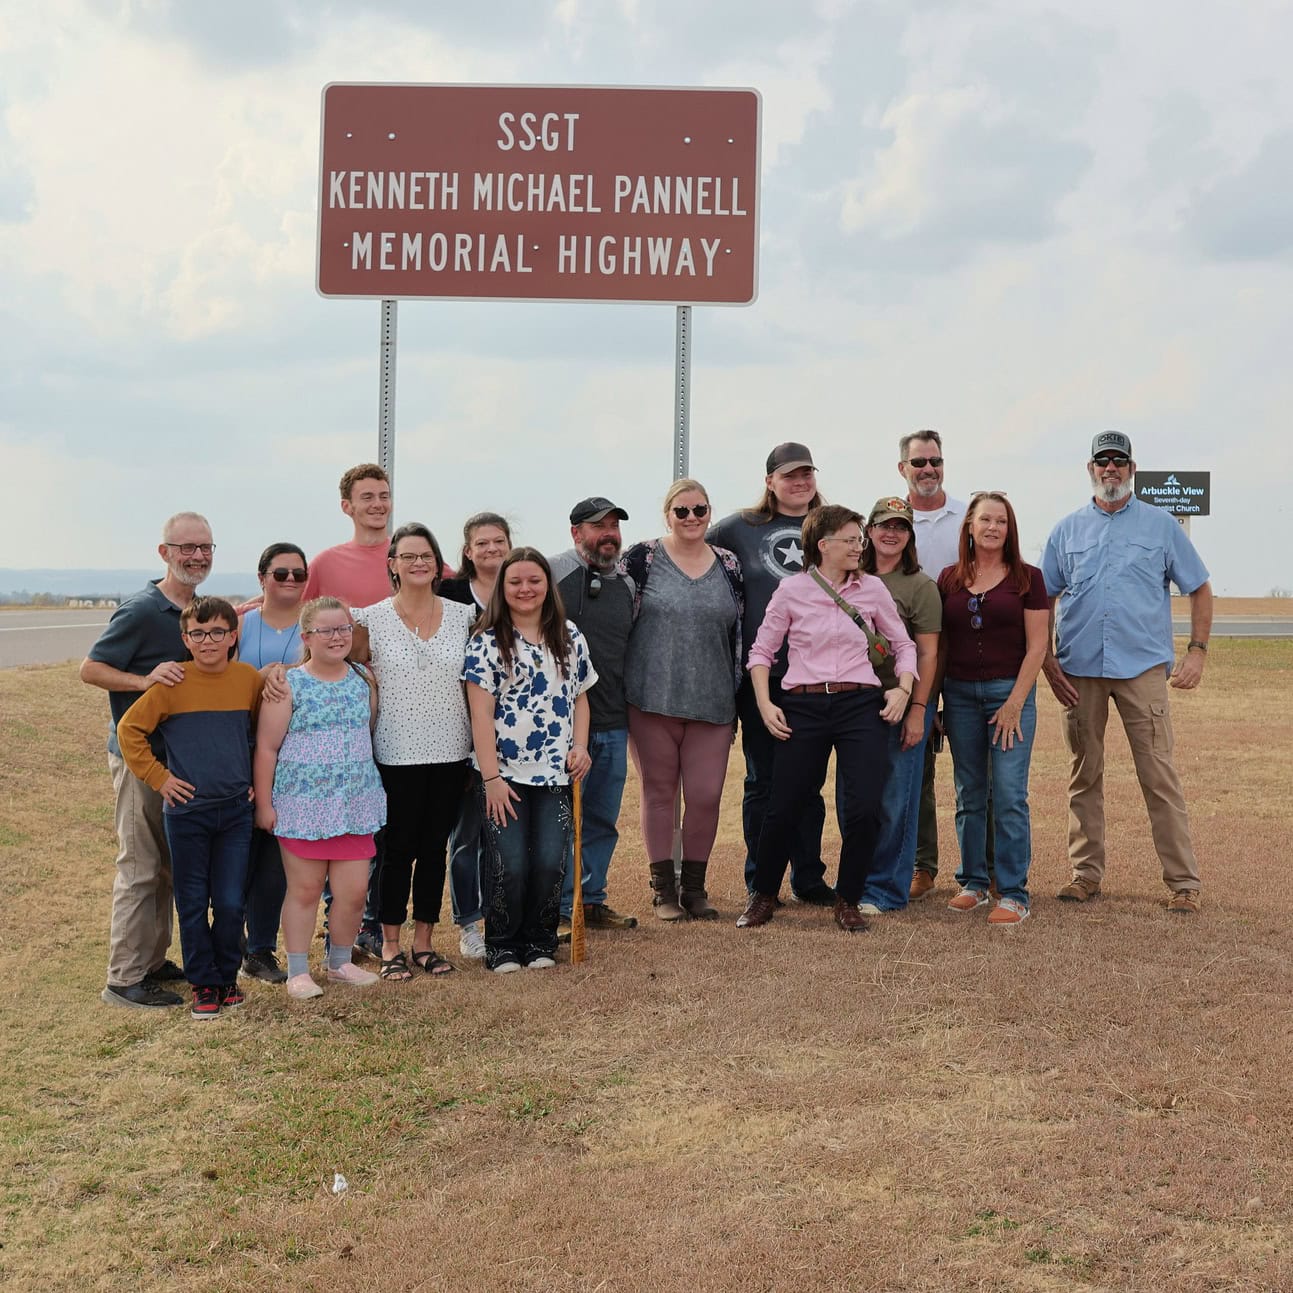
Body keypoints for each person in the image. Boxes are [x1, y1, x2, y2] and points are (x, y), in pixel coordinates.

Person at [1041, 431, 1212, 913]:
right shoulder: (1066, 531)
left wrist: (1197, 651)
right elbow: (1043, 598)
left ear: (1132, 469)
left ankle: (1183, 883)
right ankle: (1085, 875)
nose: (1110, 469)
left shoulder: (1160, 527)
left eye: (1119, 461)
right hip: (1079, 673)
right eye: (1102, 462)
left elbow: (1199, 587)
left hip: (1142, 670)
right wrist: (1048, 662)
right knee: (1083, 774)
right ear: (1090, 469)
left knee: (1158, 775)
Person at [737, 505, 918, 932]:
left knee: (864, 808)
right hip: (803, 706)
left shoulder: (872, 590)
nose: (860, 546)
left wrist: (903, 689)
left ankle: (849, 899)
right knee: (784, 806)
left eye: (860, 539)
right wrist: (765, 704)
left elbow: (903, 646)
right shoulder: (791, 591)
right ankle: (763, 895)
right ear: (824, 545)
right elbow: (761, 653)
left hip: (861, 705)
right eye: (852, 539)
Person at [81, 511, 215, 1009]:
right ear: (165, 553)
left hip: (179, 763)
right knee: (139, 866)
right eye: (187, 548)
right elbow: (90, 669)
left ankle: (153, 960)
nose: (197, 556)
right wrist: (144, 681)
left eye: (205, 548)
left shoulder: (196, 609)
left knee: (164, 866)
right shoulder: (140, 611)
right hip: (140, 760)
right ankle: (123, 979)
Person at [116, 597, 263, 1018]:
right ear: (186, 639)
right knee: (194, 901)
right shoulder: (171, 685)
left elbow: (257, 734)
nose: (209, 640)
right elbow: (130, 731)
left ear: (233, 636)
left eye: (218, 631)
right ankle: (202, 983)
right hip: (187, 814)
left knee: (232, 901)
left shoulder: (246, 680)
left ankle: (227, 977)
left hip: (236, 811)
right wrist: (160, 778)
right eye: (198, 633)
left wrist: (255, 781)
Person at [708, 443, 834, 904]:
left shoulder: (831, 524)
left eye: (806, 474)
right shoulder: (737, 529)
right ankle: (762, 881)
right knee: (763, 780)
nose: (800, 483)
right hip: (760, 675)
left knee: (809, 782)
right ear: (769, 482)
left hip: (818, 674)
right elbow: (691, 555)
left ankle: (809, 877)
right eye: (789, 475)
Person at [462, 548, 595, 973]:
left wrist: (581, 746)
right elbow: (480, 715)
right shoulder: (486, 643)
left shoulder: (569, 636)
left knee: (549, 861)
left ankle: (540, 940)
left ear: (547, 586)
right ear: (502, 589)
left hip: (557, 773)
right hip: (505, 776)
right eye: (515, 582)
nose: (525, 589)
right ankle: (502, 943)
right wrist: (491, 778)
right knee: (511, 863)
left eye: (534, 580)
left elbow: (580, 698)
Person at [350, 523, 473, 980]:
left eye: (426, 555)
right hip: (395, 753)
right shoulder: (371, 618)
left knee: (433, 847)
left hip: (450, 751)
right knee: (396, 850)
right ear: (393, 565)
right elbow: (334, 653)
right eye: (408, 556)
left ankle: (425, 943)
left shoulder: (463, 616)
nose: (418, 562)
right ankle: (389, 946)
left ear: (438, 564)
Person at [622, 479, 743, 921]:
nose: (691, 518)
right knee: (659, 793)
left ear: (710, 513)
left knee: (706, 795)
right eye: (682, 511)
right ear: (667, 514)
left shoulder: (729, 563)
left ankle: (695, 888)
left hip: (713, 703)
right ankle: (663, 891)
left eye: (700, 510)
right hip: (651, 697)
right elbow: (619, 617)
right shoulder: (642, 558)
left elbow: (740, 630)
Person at [253, 597, 387, 999]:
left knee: (353, 893)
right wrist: (264, 804)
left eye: (343, 628)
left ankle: (341, 962)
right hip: (302, 805)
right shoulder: (288, 683)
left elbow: (371, 730)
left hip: (354, 803)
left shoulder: (364, 678)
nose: (337, 637)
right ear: (307, 636)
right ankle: (298, 971)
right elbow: (266, 748)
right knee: (306, 890)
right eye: (326, 630)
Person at [937, 492, 1049, 924]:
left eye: (1001, 521)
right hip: (961, 695)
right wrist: (937, 703)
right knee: (969, 792)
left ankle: (1014, 892)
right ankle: (974, 883)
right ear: (969, 525)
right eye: (985, 519)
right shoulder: (949, 579)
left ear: (1010, 529)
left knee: (1008, 793)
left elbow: (1038, 645)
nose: (993, 527)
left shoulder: (1027, 578)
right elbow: (942, 645)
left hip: (1010, 693)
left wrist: (1015, 703)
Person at [300, 463, 393, 958]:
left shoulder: (411, 556)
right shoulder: (327, 562)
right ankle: (341, 929)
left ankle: (372, 922)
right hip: (342, 709)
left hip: (401, 706)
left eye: (384, 495)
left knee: (377, 818)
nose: (377, 504)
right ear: (347, 506)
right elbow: (295, 610)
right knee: (340, 812)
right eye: (367, 497)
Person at [549, 497, 638, 937]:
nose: (609, 534)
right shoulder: (550, 575)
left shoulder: (626, 584)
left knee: (602, 819)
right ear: (575, 532)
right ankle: (561, 907)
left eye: (614, 526)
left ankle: (592, 899)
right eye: (597, 526)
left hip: (612, 722)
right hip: (558, 729)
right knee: (562, 821)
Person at [897, 430, 975, 903]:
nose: (929, 469)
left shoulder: (967, 516)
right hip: (909, 656)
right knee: (915, 762)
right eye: (919, 462)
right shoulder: (888, 518)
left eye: (936, 461)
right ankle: (921, 865)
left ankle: (978, 871)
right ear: (902, 468)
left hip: (963, 650)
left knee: (971, 765)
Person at [856, 497, 942, 914]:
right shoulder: (847, 577)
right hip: (853, 703)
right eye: (883, 525)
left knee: (896, 800)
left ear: (909, 536)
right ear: (868, 531)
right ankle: (858, 878)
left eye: (901, 527)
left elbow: (928, 655)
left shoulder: (920, 586)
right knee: (857, 798)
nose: (891, 533)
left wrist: (918, 709)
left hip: (901, 701)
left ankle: (887, 888)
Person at [439, 511, 512, 960]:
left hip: (516, 730)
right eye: (481, 543)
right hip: (457, 726)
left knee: (503, 833)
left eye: (498, 541)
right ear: (467, 552)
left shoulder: (523, 586)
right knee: (466, 834)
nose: (490, 549)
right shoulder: (448, 593)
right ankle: (469, 924)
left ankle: (504, 917)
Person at [235, 542, 309, 985]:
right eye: (280, 573)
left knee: (274, 860)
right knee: (237, 854)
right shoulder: (241, 625)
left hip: (298, 757)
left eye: (298, 574)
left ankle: (260, 950)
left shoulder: (316, 625)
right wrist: (257, 680)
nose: (290, 582)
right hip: (244, 751)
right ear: (262, 577)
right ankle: (229, 942)